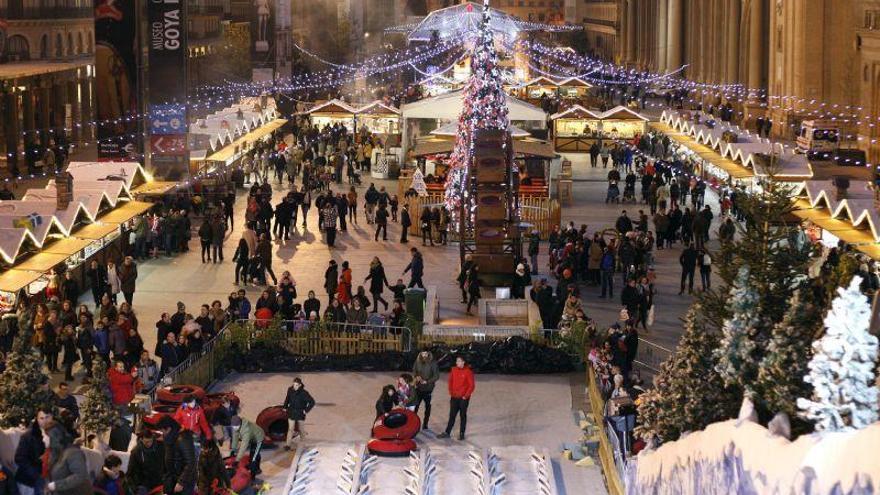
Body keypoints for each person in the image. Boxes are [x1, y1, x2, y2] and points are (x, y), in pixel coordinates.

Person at [45, 424, 91, 495]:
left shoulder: (73, 452)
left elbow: (79, 476)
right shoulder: (54, 452)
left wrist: (55, 485)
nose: (43, 439)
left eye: (45, 436)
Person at [15, 408, 52, 495]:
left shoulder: (55, 434)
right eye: (41, 418)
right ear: (37, 419)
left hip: (47, 480)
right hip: (29, 482)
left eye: (47, 417)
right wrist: (36, 475)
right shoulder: (28, 436)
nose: (44, 421)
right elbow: (19, 458)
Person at [438, 356, 475, 440]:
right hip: (454, 397)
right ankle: (447, 432)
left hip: (463, 398)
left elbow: (471, 385)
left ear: (463, 362)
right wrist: (451, 392)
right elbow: (450, 381)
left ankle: (462, 433)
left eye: (459, 361)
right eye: (456, 361)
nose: (457, 363)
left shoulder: (468, 372)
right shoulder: (454, 370)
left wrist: (465, 396)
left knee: (462, 416)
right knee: (452, 415)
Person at [158, 416, 197, 495]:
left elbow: (191, 462)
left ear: (168, 429)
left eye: (163, 431)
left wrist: (181, 482)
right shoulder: (171, 437)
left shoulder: (183, 439)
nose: (163, 434)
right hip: (174, 477)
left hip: (184, 481)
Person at [282, 377, 315, 450]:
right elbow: (287, 398)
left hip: (300, 413)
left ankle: (303, 444)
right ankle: (288, 445)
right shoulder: (290, 389)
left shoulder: (304, 393)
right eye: (294, 385)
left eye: (296, 385)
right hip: (291, 412)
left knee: (301, 430)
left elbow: (312, 402)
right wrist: (285, 407)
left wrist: (306, 410)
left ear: (300, 385)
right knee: (290, 429)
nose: (294, 387)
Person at [412, 351, 439, 429]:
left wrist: (427, 381)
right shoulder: (417, 361)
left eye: (426, 353)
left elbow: (436, 376)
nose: (424, 355)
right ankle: (413, 422)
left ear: (429, 354)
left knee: (427, 407)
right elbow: (414, 371)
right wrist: (416, 376)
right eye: (422, 353)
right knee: (415, 406)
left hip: (428, 389)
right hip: (419, 388)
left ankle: (425, 423)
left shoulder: (433, 363)